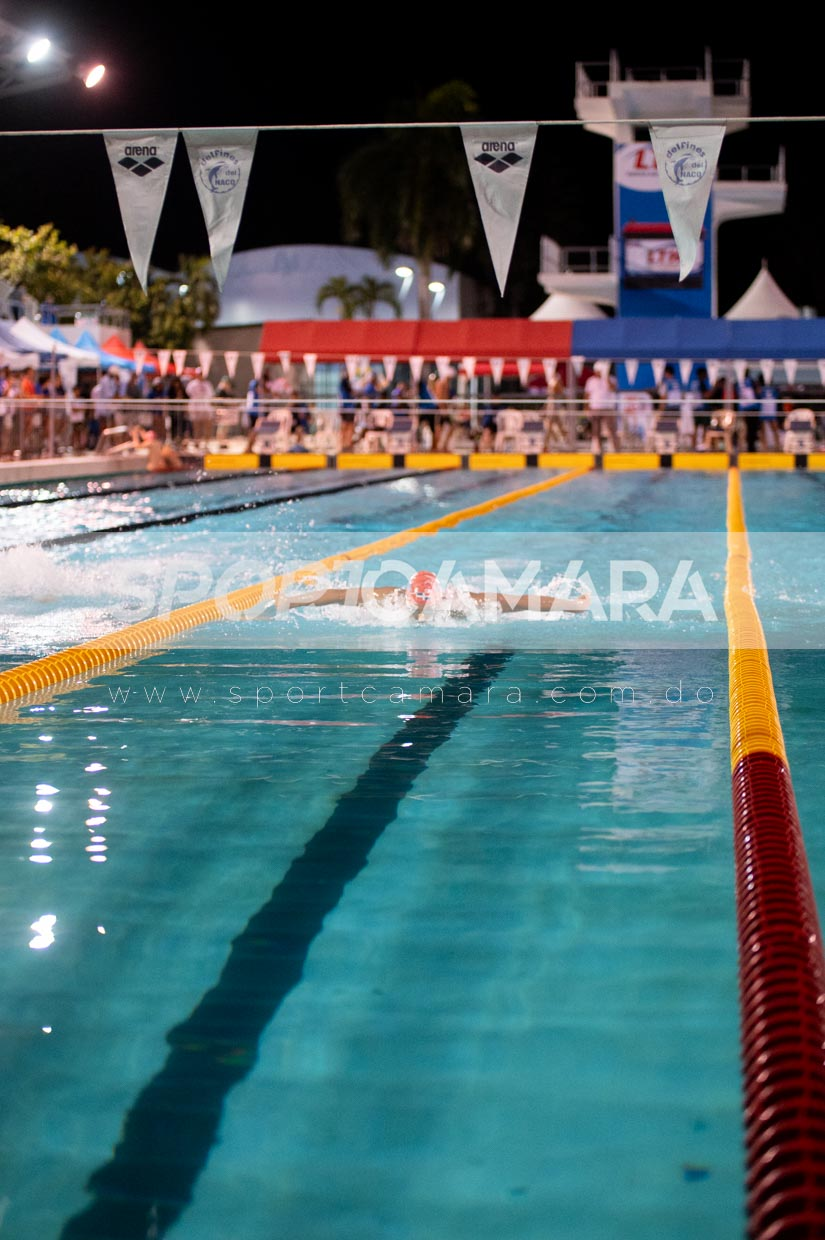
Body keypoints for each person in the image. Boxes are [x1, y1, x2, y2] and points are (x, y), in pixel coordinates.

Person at [277, 570, 590, 619]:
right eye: (417, 609)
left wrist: (572, 606)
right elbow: (335, 594)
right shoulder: (390, 599)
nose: (420, 617)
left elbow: (524, 602)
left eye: (424, 610)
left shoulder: (462, 603)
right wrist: (290, 601)